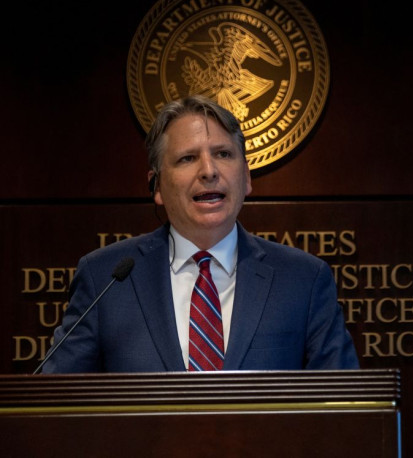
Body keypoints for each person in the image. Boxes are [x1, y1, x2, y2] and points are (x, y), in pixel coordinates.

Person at [42, 95, 359, 372]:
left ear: (246, 178)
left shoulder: (303, 279)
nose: (209, 171)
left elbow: (347, 411)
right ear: (157, 186)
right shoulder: (105, 280)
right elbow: (53, 405)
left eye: (223, 154)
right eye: (188, 158)